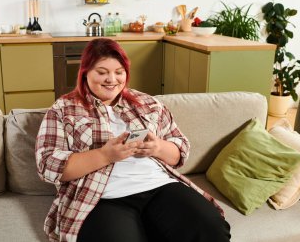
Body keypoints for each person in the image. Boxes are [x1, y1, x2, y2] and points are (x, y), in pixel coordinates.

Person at [35, 38, 231, 242]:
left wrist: (157, 147)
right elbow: (47, 164)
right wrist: (105, 155)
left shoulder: (148, 103)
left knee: (212, 228)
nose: (111, 79)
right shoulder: (63, 109)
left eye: (119, 72)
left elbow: (179, 151)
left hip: (159, 187)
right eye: (102, 72)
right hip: (102, 198)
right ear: (85, 72)